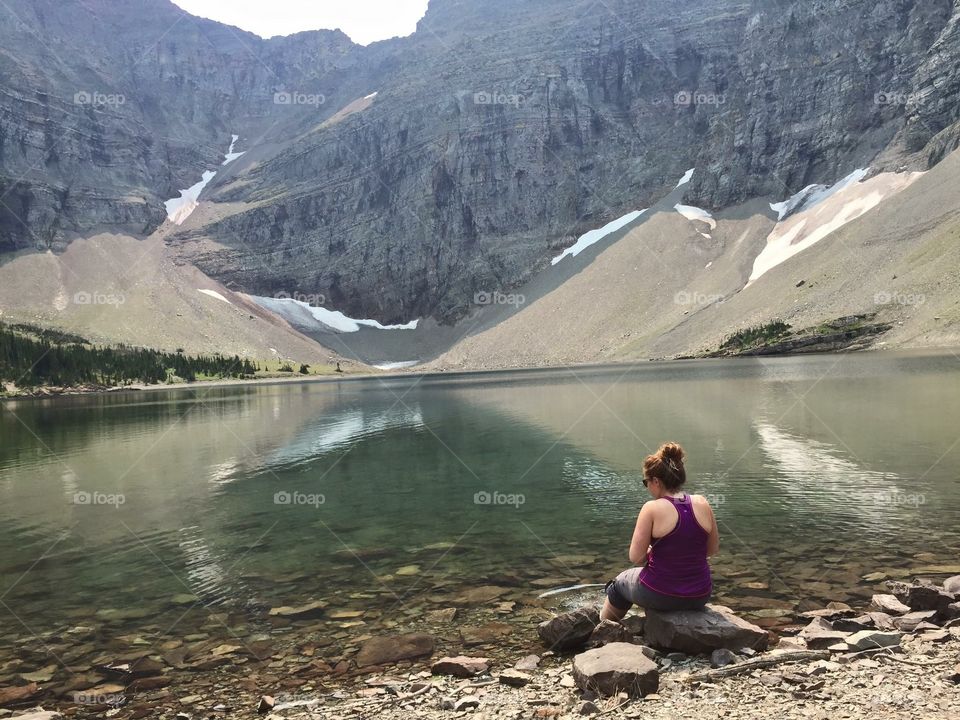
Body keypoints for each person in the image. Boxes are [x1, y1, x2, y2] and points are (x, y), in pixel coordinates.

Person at [600, 442, 720, 621]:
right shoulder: (702, 502)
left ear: (656, 481)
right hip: (700, 595)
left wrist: (651, 553)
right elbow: (711, 549)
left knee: (619, 584)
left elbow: (636, 557)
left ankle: (603, 629)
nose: (647, 487)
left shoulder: (652, 508)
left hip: (661, 594)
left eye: (645, 482)